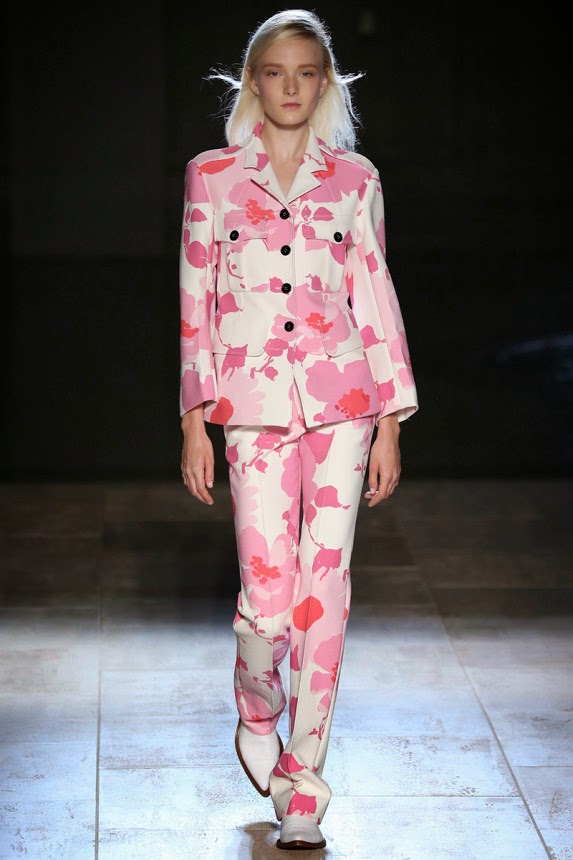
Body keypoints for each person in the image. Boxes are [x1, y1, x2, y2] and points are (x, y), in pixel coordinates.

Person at [179, 9, 418, 851]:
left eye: (305, 72)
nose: (289, 86)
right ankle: (257, 707)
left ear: (324, 84)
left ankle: (303, 785)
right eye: (274, 72)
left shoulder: (354, 179)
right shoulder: (211, 176)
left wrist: (390, 422)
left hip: (343, 402)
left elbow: (375, 294)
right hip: (247, 406)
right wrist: (193, 420)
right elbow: (196, 298)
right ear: (253, 81)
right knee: (265, 600)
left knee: (325, 593)